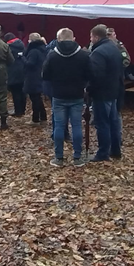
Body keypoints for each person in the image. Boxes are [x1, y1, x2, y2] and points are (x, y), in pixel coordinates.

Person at [42, 28, 92, 167]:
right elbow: (90, 75)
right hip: (76, 94)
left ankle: (59, 157)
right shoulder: (83, 55)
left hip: (58, 95)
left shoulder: (52, 55)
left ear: (58, 39)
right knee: (76, 125)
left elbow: (45, 75)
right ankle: (77, 157)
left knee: (59, 126)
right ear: (73, 38)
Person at [89, 24, 123, 162]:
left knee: (102, 123)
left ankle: (103, 153)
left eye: (91, 36)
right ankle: (115, 150)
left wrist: (90, 88)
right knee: (113, 122)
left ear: (96, 37)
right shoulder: (114, 48)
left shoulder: (98, 53)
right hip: (114, 90)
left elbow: (96, 74)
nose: (90, 39)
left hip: (101, 93)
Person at [23, 33, 48, 125]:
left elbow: (30, 64)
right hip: (39, 74)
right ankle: (43, 117)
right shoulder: (43, 49)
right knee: (37, 97)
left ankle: (36, 119)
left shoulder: (33, 51)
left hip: (32, 76)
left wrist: (22, 58)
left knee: (35, 98)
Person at [4, 33, 26, 117]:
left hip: (12, 71)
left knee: (15, 92)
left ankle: (18, 111)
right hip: (22, 70)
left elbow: (7, 59)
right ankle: (23, 109)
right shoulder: (22, 45)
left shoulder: (8, 47)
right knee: (22, 91)